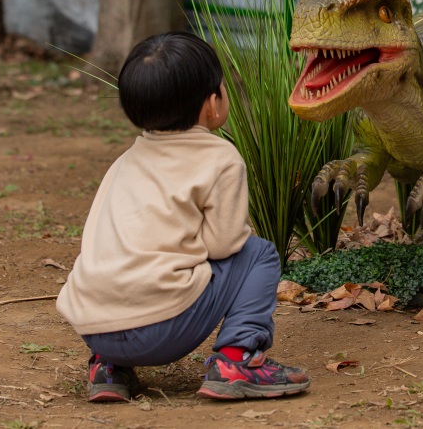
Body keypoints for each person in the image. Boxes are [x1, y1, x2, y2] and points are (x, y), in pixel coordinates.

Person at [56, 31, 310, 403]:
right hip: (163, 329)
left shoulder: (125, 163)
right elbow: (223, 245)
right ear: (212, 104)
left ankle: (108, 367)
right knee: (258, 253)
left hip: (95, 324)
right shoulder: (220, 158)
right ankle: (238, 360)